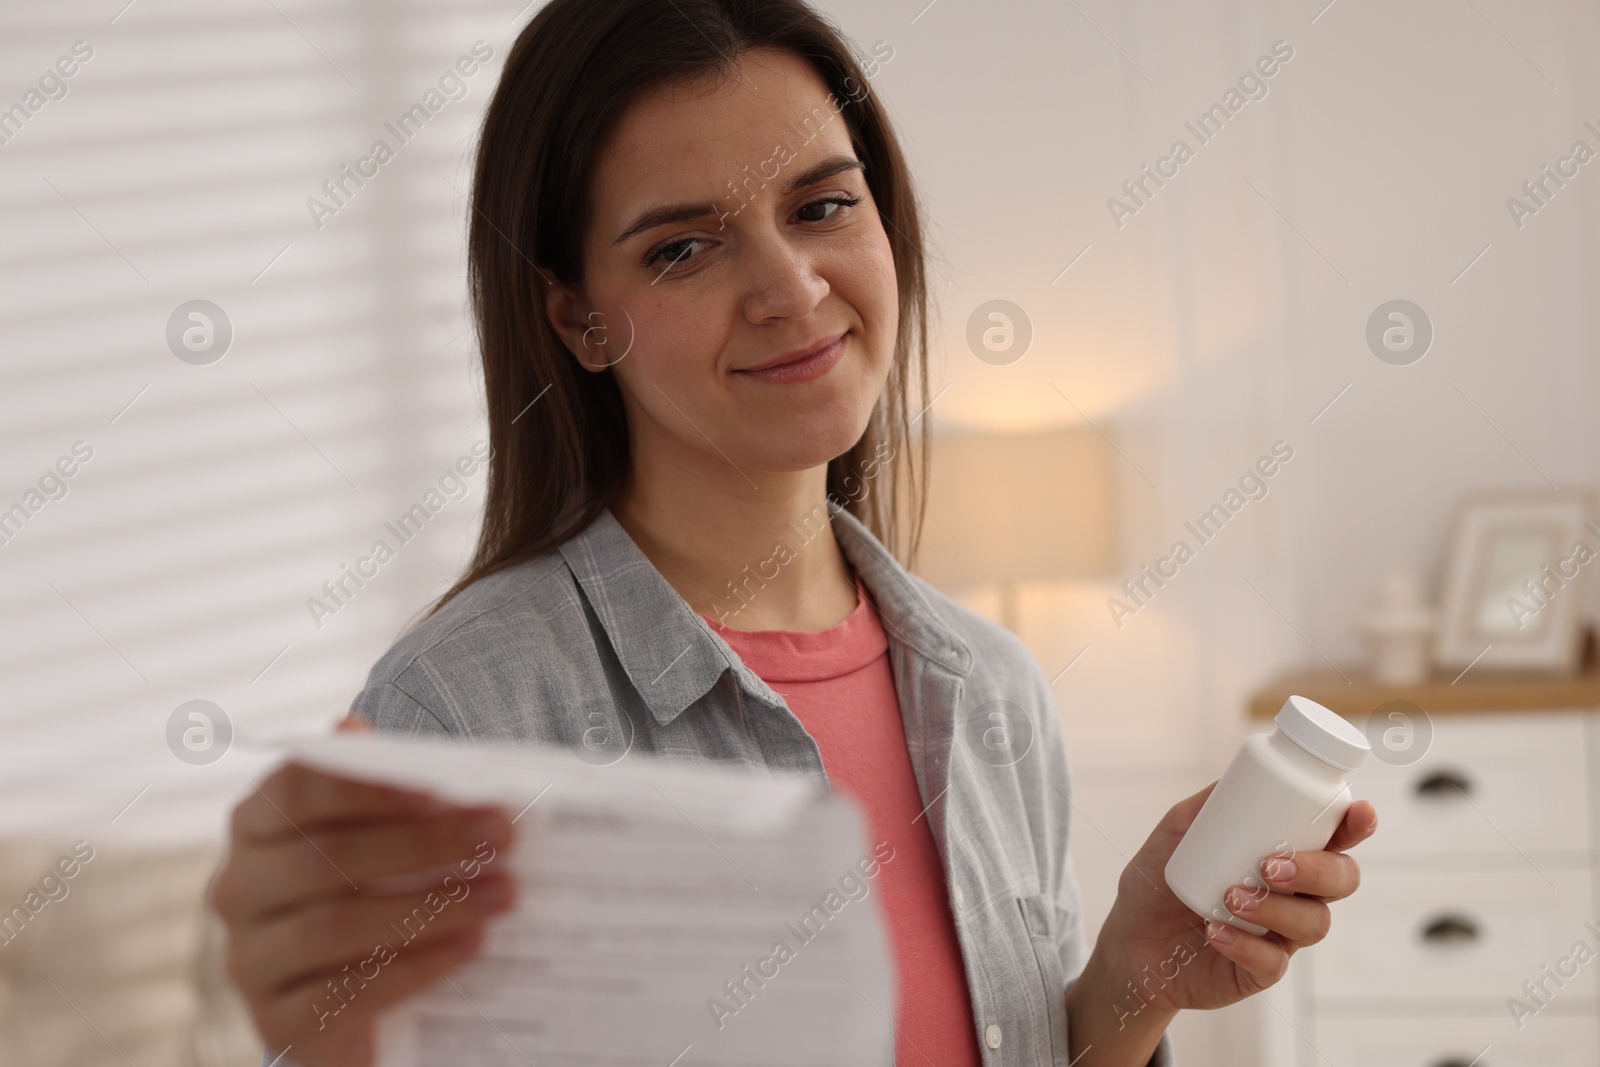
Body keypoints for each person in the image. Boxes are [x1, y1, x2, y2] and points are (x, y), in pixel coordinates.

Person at [209, 1, 1377, 1064]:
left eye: (821, 205)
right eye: (683, 246)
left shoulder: (991, 695)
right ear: (577, 319)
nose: (790, 287)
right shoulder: (467, 717)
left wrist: (1128, 988)